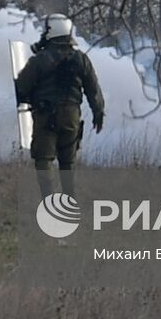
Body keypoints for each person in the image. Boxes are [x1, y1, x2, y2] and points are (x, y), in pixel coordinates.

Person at [15, 13, 105, 198]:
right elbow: (93, 89)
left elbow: (22, 86)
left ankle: (49, 200)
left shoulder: (40, 60)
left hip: (46, 116)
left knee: (44, 159)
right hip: (72, 116)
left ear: (51, 32)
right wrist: (99, 112)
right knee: (68, 162)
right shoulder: (81, 59)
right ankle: (69, 200)